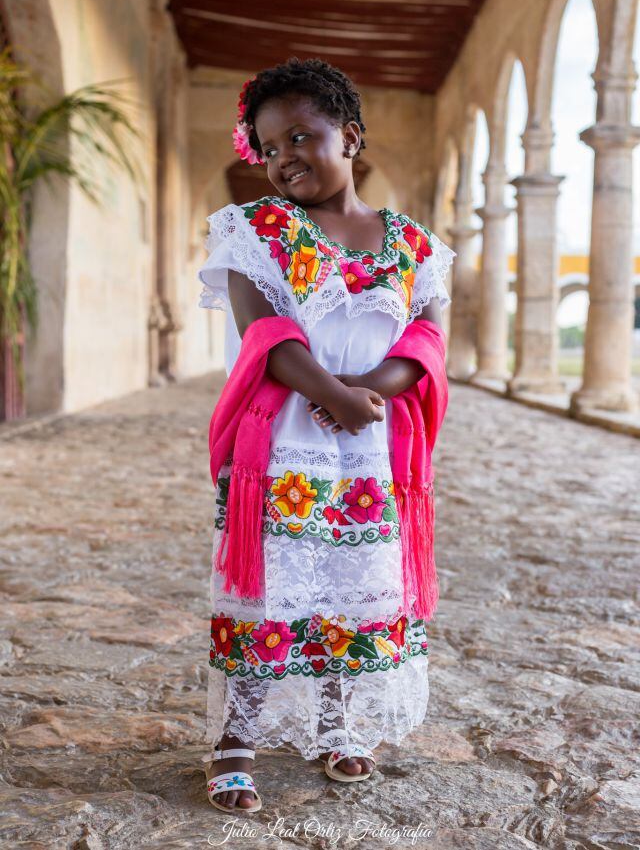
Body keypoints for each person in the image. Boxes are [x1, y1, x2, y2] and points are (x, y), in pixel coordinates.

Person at [197, 57, 455, 813]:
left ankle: (339, 723)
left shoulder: (413, 246)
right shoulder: (255, 231)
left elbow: (426, 340)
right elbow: (266, 335)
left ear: (351, 136)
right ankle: (236, 737)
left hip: (371, 449)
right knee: (271, 586)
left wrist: (369, 391)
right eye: (269, 148)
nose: (284, 159)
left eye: (301, 137)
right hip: (282, 443)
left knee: (351, 584)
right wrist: (334, 395)